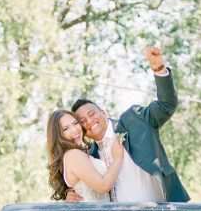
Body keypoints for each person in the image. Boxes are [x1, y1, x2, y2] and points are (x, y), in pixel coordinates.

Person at [70, 46, 189, 202]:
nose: (89, 121)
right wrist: (71, 194)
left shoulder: (135, 120)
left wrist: (159, 69)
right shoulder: (87, 156)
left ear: (104, 112)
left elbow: (167, 105)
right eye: (82, 121)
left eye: (91, 114)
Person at [46, 109, 124, 201]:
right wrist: (118, 158)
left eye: (75, 123)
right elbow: (103, 186)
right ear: (58, 135)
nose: (74, 130)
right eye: (66, 129)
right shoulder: (73, 155)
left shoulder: (79, 153)